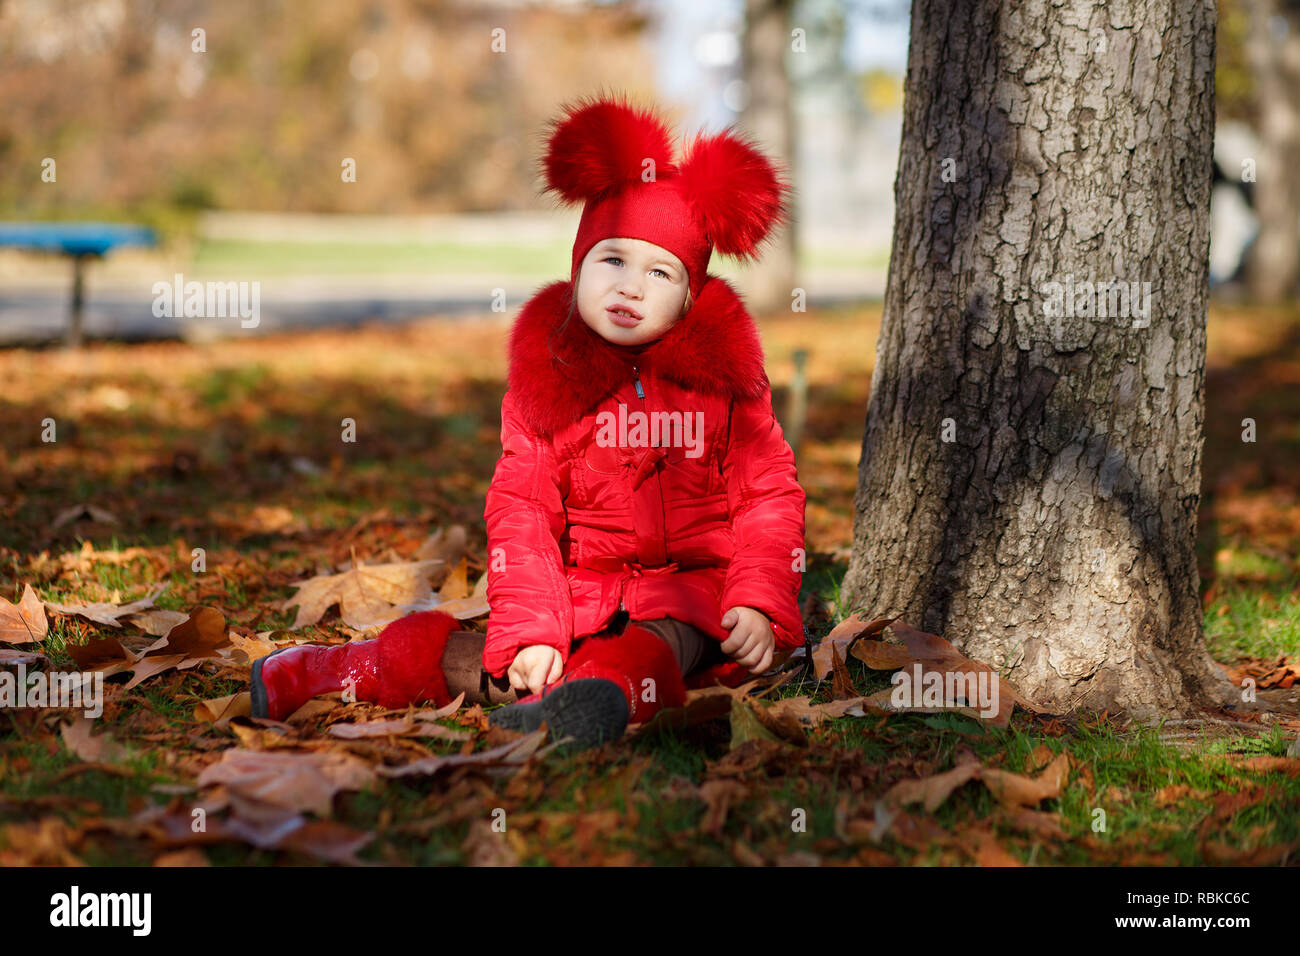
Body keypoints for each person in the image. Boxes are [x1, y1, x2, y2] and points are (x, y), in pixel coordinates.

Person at [250, 92, 807, 751]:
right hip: (575, 596)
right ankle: (339, 671)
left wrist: (759, 599)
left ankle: (595, 703)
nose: (630, 286)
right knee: (489, 658)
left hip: (690, 597)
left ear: (690, 297)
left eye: (660, 272)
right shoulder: (550, 381)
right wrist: (534, 628)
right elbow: (522, 509)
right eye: (612, 260)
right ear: (578, 269)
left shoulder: (724, 386)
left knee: (659, 645)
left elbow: (768, 497)